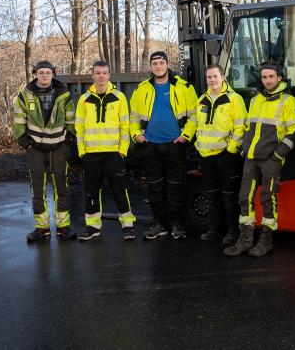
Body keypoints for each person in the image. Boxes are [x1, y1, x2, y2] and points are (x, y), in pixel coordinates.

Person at [224, 61, 295, 257]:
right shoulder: (256, 99)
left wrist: (278, 154)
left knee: (268, 198)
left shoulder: (288, 101)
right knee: (244, 198)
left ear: (279, 78)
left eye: (271, 77)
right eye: (264, 77)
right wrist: (244, 150)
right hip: (251, 157)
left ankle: (266, 240)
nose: (267, 81)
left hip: (271, 159)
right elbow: (250, 128)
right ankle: (246, 240)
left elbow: (294, 131)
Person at [129, 51, 198, 240]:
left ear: (167, 64)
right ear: (150, 67)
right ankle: (159, 224)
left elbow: (194, 116)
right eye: (155, 63)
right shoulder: (142, 89)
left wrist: (185, 137)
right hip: (150, 145)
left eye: (161, 63)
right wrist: (137, 135)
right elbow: (133, 116)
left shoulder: (184, 87)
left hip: (175, 145)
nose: (158, 66)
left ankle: (176, 224)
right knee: (155, 188)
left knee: (175, 186)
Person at [13, 60, 77, 242]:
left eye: (48, 73)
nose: (44, 76)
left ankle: (63, 226)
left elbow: (71, 119)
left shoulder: (63, 94)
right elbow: (18, 119)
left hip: (58, 148)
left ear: (53, 74)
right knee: (37, 188)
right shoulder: (26, 95)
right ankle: (42, 228)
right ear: (35, 74)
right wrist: (26, 143)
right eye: (41, 73)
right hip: (36, 149)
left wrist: (67, 140)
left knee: (61, 187)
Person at [75, 61, 136, 241]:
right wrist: (82, 152)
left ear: (109, 75)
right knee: (91, 191)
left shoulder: (119, 97)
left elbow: (125, 126)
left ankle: (127, 225)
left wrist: (122, 151)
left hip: (113, 154)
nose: (101, 76)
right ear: (93, 75)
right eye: (97, 73)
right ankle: (93, 226)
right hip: (91, 154)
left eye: (104, 73)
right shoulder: (84, 99)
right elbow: (79, 128)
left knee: (120, 189)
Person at [195, 64, 247, 245]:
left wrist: (232, 148)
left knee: (229, 197)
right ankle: (214, 229)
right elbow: (199, 125)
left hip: (226, 155)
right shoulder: (202, 99)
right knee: (212, 196)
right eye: (209, 77)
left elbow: (241, 126)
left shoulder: (234, 99)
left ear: (223, 77)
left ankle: (232, 232)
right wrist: (198, 146)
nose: (212, 80)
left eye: (215, 76)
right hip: (206, 155)